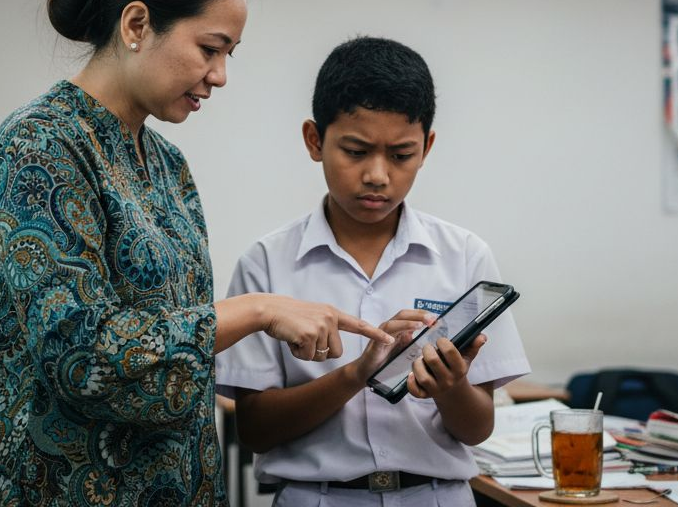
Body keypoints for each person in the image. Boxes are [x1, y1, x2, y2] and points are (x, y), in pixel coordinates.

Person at [0, 0, 392, 506]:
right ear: (137, 25)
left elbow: (173, 336)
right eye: (209, 49)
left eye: (228, 54)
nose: (220, 75)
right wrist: (257, 309)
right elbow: (82, 354)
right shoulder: (39, 148)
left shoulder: (165, 164)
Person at [216, 36, 531, 507]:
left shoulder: (464, 255)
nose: (378, 176)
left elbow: (477, 428)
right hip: (316, 498)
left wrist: (451, 388)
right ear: (314, 140)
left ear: (426, 147)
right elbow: (257, 430)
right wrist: (357, 374)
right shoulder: (267, 262)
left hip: (436, 496)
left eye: (401, 155)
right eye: (357, 151)